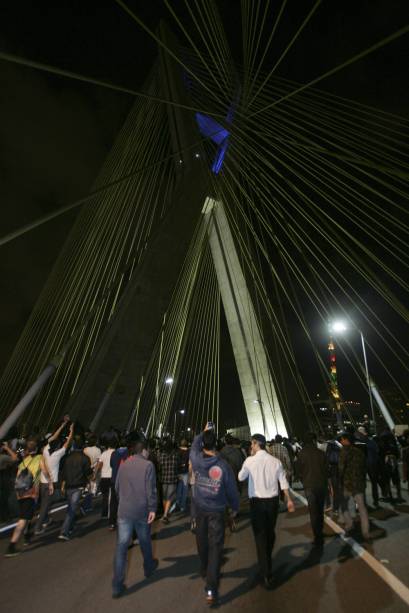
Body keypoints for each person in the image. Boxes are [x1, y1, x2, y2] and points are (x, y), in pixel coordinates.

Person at [190, 424, 239, 605]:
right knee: (215, 546)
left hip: (200, 508)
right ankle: (211, 587)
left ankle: (204, 569)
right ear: (216, 445)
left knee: (201, 541)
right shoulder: (223, 466)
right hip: (217, 511)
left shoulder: (196, 460)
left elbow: (194, 446)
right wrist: (234, 509)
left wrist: (203, 432)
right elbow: (232, 491)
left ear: (203, 444)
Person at [239, 433, 295, 589]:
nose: (251, 446)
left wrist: (248, 463)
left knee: (260, 536)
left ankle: (266, 571)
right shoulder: (275, 462)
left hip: (256, 503)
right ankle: (266, 561)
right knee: (270, 532)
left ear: (256, 444)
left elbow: (240, 477)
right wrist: (289, 499)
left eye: (252, 444)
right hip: (272, 503)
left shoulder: (249, 461)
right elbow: (283, 482)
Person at [112, 432, 158, 599]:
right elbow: (151, 490)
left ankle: (117, 585)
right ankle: (148, 568)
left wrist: (124, 501)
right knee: (145, 540)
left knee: (121, 547)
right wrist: (153, 509)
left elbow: (116, 487)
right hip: (141, 511)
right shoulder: (148, 466)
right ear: (144, 450)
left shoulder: (124, 464)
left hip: (124, 511)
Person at [34, 421, 74, 534]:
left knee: (46, 503)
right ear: (57, 447)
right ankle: (38, 527)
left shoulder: (46, 450)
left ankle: (45, 518)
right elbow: (68, 442)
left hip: (42, 482)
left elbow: (53, 438)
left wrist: (61, 426)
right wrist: (71, 430)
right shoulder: (58, 454)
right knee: (45, 506)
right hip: (51, 484)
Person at [5, 439, 42, 557]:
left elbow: (17, 480)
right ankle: (12, 546)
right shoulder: (39, 458)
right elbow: (40, 475)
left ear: (26, 450)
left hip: (21, 494)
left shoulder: (23, 463)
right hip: (31, 493)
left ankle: (27, 535)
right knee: (23, 519)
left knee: (28, 515)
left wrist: (18, 494)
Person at [297, 432, 327, 548]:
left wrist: (303, 480)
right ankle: (321, 530)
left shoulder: (301, 454)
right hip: (321, 484)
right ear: (314, 440)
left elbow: (298, 470)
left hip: (309, 486)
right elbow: (326, 470)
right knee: (320, 510)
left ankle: (317, 536)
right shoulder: (321, 453)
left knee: (313, 511)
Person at [338, 432, 371, 541]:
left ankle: (349, 525)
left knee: (343, 505)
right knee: (362, 508)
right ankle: (365, 532)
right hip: (359, 484)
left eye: (342, 439)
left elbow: (341, 469)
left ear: (346, 440)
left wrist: (339, 481)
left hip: (348, 484)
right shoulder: (360, 452)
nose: (341, 441)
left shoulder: (344, 451)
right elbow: (364, 467)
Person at [58, 435, 92, 540]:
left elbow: (63, 472)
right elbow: (88, 472)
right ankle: (64, 532)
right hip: (78, 486)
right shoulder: (85, 458)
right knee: (72, 509)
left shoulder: (67, 458)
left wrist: (63, 484)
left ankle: (70, 526)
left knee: (70, 507)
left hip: (68, 485)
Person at [109, 437, 129, 530]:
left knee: (114, 502)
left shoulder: (114, 453)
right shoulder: (128, 453)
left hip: (114, 480)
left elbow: (112, 465)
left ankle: (112, 523)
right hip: (125, 481)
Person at [157, 439, 178, 523]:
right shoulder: (175, 456)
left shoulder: (161, 456)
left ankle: (165, 514)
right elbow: (177, 465)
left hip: (164, 478)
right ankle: (165, 514)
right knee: (169, 497)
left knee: (164, 497)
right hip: (172, 479)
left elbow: (159, 467)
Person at [96, 439, 116, 520]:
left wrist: (95, 474)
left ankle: (104, 513)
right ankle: (111, 514)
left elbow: (99, 464)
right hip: (112, 477)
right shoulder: (116, 453)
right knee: (113, 497)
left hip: (104, 477)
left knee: (105, 496)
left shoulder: (104, 453)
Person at [175, 439, 190, 513]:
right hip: (186, 472)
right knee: (185, 490)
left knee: (179, 488)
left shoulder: (177, 451)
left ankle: (177, 502)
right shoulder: (189, 451)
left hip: (179, 471)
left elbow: (176, 462)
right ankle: (182, 506)